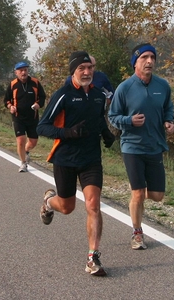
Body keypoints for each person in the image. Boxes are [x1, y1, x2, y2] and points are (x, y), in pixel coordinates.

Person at [37, 51, 115, 276]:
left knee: (93, 205)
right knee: (68, 207)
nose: (87, 72)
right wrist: (67, 132)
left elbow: (98, 118)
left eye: (90, 68)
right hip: (66, 159)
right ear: (73, 71)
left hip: (91, 159)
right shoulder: (64, 95)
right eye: (82, 68)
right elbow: (43, 126)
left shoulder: (99, 95)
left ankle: (93, 257)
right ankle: (49, 203)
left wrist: (106, 133)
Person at [108, 43, 174, 250]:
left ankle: (136, 193)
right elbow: (112, 116)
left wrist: (169, 121)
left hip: (155, 146)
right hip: (132, 147)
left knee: (157, 196)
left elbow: (168, 108)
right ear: (135, 62)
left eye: (152, 57)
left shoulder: (162, 85)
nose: (150, 61)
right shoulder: (124, 88)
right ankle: (137, 233)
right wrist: (129, 121)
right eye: (144, 57)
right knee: (138, 193)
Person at [4, 62, 46, 172]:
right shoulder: (13, 84)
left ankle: (26, 151)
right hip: (18, 117)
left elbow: (42, 97)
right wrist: (10, 106)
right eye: (21, 70)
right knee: (21, 140)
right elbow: (6, 100)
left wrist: (38, 104)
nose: (23, 72)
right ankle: (23, 163)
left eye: (25, 70)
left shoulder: (35, 83)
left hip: (32, 117)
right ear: (16, 72)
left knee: (33, 142)